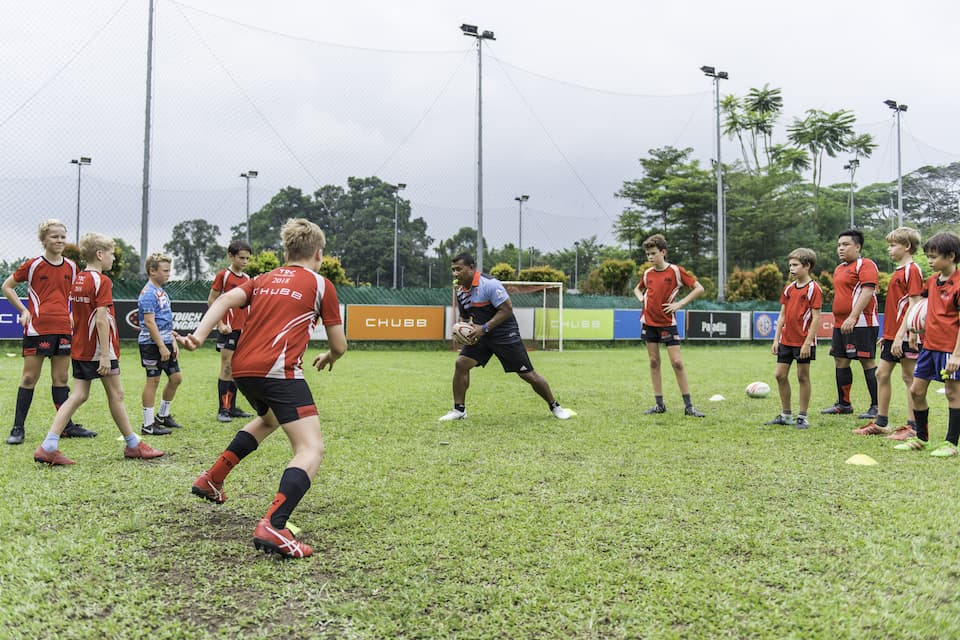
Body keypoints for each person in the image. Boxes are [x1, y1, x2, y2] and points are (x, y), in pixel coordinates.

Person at [178, 219, 345, 559]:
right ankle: (275, 525)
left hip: (243, 369)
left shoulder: (261, 279)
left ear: (285, 252)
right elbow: (339, 345)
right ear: (318, 253)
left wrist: (198, 335)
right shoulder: (321, 285)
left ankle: (212, 479)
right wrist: (330, 355)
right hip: (278, 371)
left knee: (268, 420)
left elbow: (224, 300)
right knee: (311, 448)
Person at [32, 233, 164, 465]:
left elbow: (76, 314)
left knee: (79, 395)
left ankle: (49, 445)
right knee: (116, 394)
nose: (113, 258)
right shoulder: (102, 281)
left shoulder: (79, 279)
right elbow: (101, 319)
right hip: (99, 349)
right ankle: (134, 445)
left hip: (81, 347)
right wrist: (104, 354)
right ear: (100, 254)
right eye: (111, 253)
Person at [438, 253, 573, 422]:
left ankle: (555, 406)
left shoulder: (490, 284)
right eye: (453, 270)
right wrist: (462, 331)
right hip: (481, 334)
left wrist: (484, 328)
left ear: (471, 267)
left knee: (527, 374)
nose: (455, 273)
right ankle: (459, 410)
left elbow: (507, 310)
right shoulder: (460, 291)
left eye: (459, 269)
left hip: (504, 333)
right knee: (461, 364)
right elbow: (465, 317)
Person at [3, 219, 97, 445]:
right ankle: (17, 428)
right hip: (38, 329)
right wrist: (24, 310)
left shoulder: (72, 267)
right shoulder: (33, 265)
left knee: (61, 378)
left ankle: (66, 426)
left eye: (63, 236)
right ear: (44, 239)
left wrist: (77, 320)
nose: (59, 240)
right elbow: (7, 286)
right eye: (54, 236)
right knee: (28, 378)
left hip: (64, 329)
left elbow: (76, 297)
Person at [894, 232, 960, 457]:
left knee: (953, 393)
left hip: (950, 348)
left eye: (933, 257)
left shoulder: (959, 285)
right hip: (929, 346)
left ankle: (951, 443)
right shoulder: (931, 281)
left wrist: (957, 356)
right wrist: (913, 330)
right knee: (916, 390)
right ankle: (922, 439)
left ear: (950, 256)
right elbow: (921, 308)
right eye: (928, 256)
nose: (930, 261)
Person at [853, 227, 924, 438]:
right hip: (892, 335)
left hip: (905, 335)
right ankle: (881, 423)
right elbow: (896, 307)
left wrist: (902, 334)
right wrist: (889, 333)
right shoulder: (899, 271)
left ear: (907, 246)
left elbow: (914, 305)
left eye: (893, 245)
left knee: (909, 377)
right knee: (881, 373)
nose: (889, 249)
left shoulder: (913, 270)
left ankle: (913, 426)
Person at [633, 234, 705, 417]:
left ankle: (689, 407)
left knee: (677, 363)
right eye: (647, 254)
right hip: (648, 322)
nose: (650, 257)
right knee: (654, 361)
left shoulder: (676, 271)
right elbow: (638, 288)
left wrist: (679, 304)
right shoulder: (647, 273)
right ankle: (659, 405)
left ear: (663, 252)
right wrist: (642, 298)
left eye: (653, 253)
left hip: (667, 323)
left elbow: (699, 288)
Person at [821, 229, 880, 418]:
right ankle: (844, 404)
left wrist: (853, 316)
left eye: (845, 244)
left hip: (862, 322)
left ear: (858, 246)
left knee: (866, 360)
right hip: (840, 324)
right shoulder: (839, 268)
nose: (841, 248)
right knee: (840, 360)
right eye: (839, 245)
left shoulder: (866, 264)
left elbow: (867, 291)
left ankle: (877, 406)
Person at [765, 248, 823, 430]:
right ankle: (786, 415)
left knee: (802, 376)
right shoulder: (789, 288)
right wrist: (776, 340)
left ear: (807, 266)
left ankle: (802, 417)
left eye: (795, 265)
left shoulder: (814, 289)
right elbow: (782, 315)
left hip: (803, 342)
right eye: (790, 265)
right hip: (786, 340)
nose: (791, 268)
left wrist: (807, 342)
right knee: (779, 375)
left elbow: (816, 318)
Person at [208, 240, 255, 423]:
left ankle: (233, 407)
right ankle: (223, 409)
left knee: (237, 368)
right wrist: (219, 323)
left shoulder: (247, 279)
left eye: (247, 258)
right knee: (227, 366)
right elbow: (212, 300)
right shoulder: (223, 275)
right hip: (228, 329)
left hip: (243, 330)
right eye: (241, 258)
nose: (244, 261)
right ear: (231, 256)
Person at [137, 252, 181, 436]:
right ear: (152, 271)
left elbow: (164, 319)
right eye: (164, 270)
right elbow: (149, 322)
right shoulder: (148, 293)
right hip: (152, 344)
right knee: (153, 381)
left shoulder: (161, 291)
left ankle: (162, 416)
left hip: (166, 341)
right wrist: (162, 346)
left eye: (169, 270)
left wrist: (172, 340)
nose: (168, 274)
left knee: (176, 378)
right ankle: (148, 425)